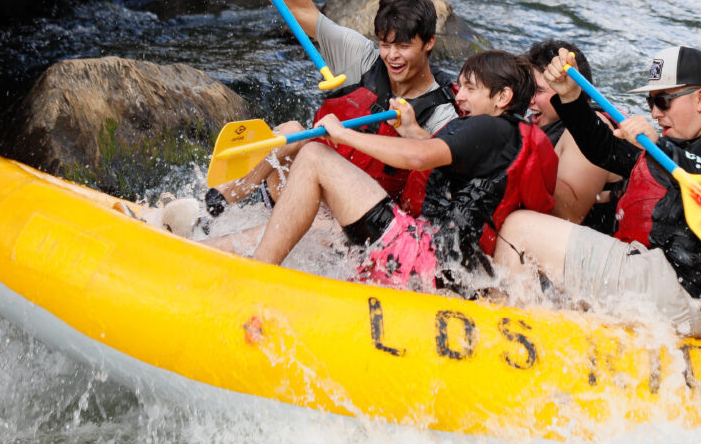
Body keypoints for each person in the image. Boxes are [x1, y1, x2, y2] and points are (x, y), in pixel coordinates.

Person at [207, 50, 557, 296]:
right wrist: (411, 130)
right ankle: (211, 248)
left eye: (470, 88)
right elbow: (439, 158)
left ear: (503, 97)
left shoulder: (485, 128)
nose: (459, 95)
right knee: (325, 223)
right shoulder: (507, 133)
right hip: (447, 269)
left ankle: (255, 276)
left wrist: (343, 134)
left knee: (313, 155)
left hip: (422, 262)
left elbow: (420, 159)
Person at [492, 45, 701, 338]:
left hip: (676, 296)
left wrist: (661, 147)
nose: (655, 112)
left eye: (663, 101)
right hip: (679, 299)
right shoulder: (682, 144)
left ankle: (518, 343)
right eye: (650, 101)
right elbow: (606, 150)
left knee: (519, 229)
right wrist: (571, 98)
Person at [205, 0, 459, 216]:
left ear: (429, 43)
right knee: (291, 131)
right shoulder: (361, 56)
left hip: (360, 216)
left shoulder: (441, 112)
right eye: (386, 45)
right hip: (305, 190)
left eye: (403, 46)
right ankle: (229, 197)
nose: (392, 56)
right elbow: (302, 10)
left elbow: (446, 174)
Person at [524, 39, 624, 230]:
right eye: (526, 88)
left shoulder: (590, 131)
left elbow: (569, 215)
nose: (529, 99)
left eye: (537, 91)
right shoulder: (536, 121)